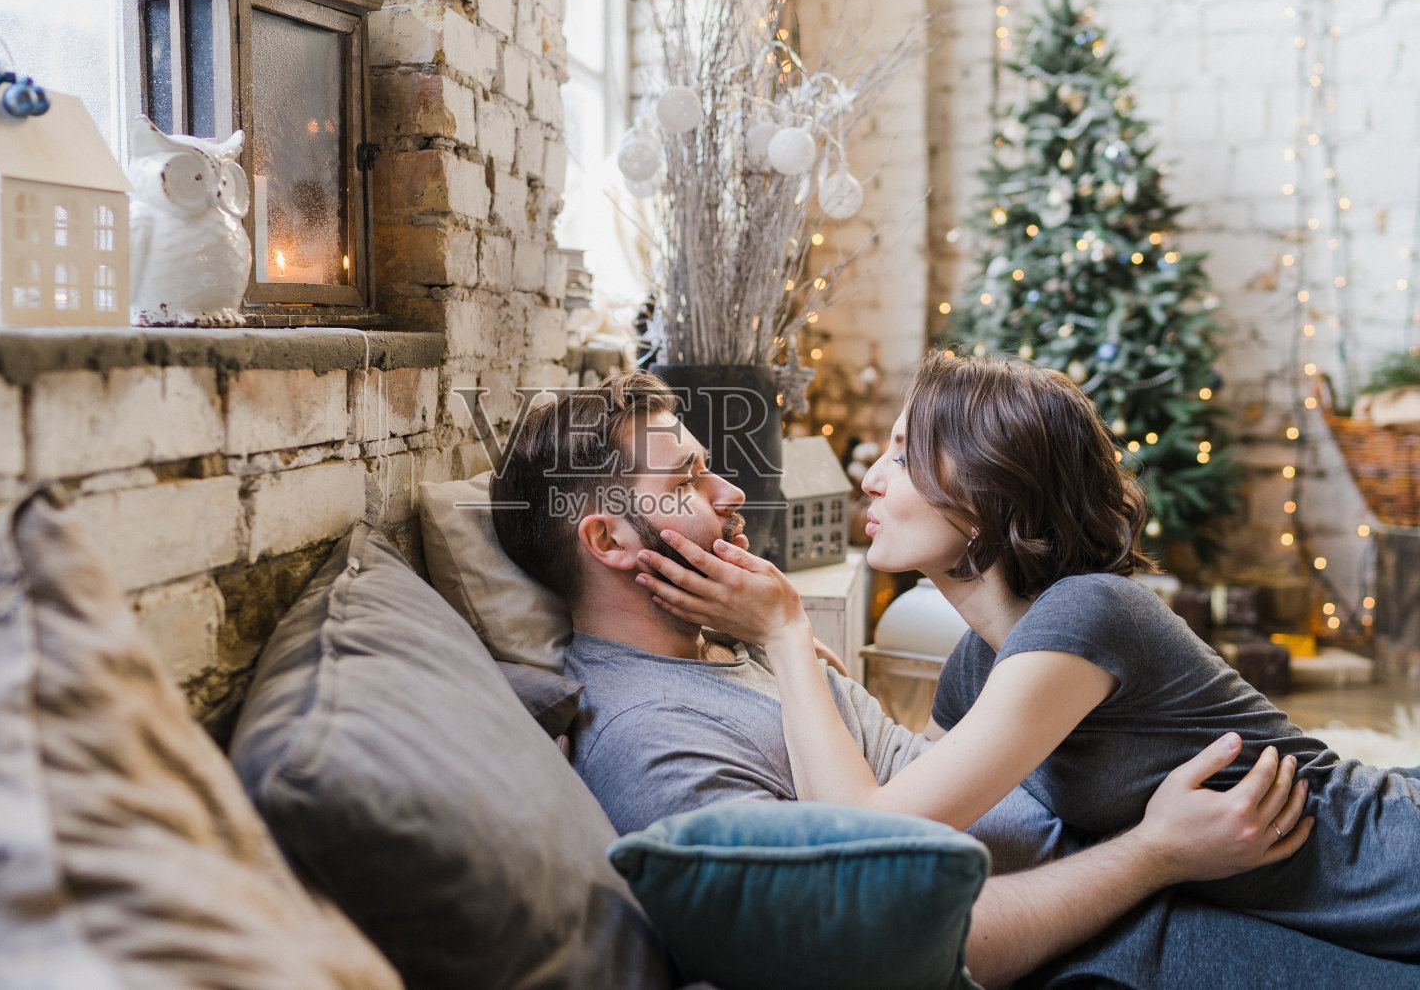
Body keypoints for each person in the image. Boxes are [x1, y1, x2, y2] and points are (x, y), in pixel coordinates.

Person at [490, 370, 1323, 988]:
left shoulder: (726, 641)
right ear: (608, 542)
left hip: (1161, 854)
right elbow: (905, 940)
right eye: (687, 482)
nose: (732, 490)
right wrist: (1153, 854)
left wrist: (797, 661)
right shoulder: (649, 737)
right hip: (1127, 934)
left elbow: (903, 764)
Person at [636, 351, 1420, 963]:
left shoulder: (1086, 613)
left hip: (1392, 867)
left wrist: (784, 635)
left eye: (903, 456)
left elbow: (863, 831)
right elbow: (911, 828)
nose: (869, 479)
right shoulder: (976, 667)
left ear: (986, 484)